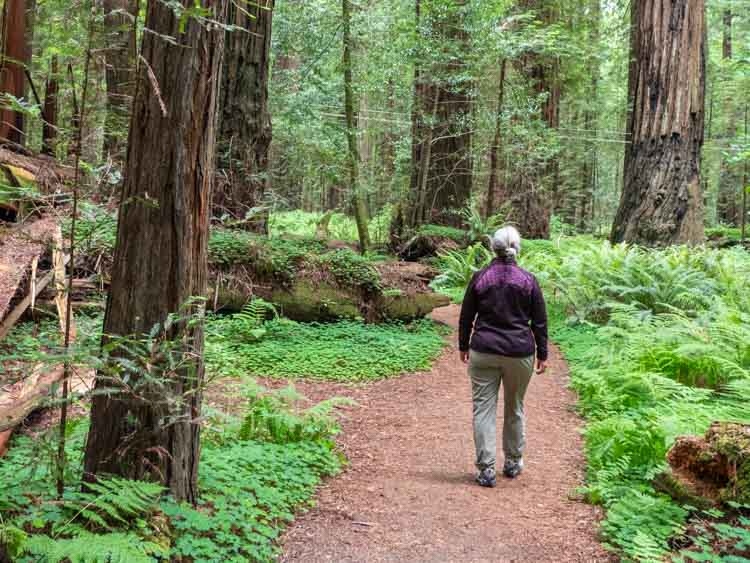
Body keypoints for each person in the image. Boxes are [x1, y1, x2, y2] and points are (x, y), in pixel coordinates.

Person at [458, 225, 548, 487]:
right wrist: (542, 353)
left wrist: (464, 345)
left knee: (483, 409)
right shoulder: (528, 280)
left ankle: (486, 468)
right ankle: (512, 462)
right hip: (519, 352)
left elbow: (466, 317)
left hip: (483, 350)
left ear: (492, 248)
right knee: (515, 407)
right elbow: (540, 322)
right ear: (517, 248)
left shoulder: (480, 277)